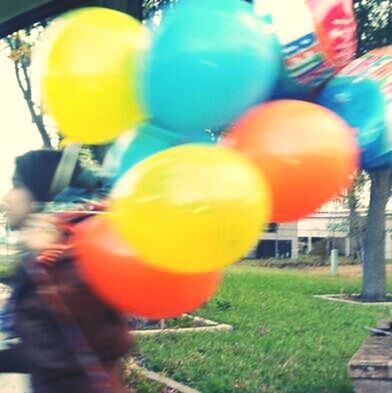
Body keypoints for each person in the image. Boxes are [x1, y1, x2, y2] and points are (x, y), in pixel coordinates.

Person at [1, 148, 133, 393]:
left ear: (43, 196)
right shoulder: (54, 254)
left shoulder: (72, 258)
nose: (7, 196)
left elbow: (89, 346)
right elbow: (44, 347)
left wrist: (50, 268)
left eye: (17, 183)